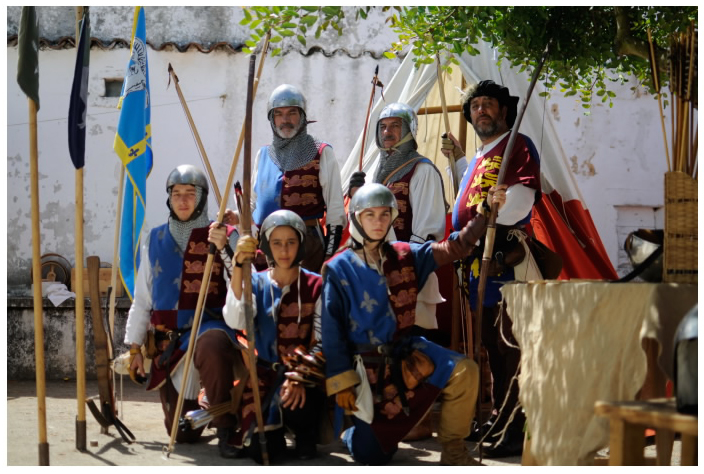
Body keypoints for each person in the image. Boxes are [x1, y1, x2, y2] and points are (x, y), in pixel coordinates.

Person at [321, 183, 505, 465]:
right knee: (374, 456)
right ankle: (353, 434)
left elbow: (455, 247)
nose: (378, 222)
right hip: (365, 367)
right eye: (370, 215)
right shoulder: (338, 268)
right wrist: (341, 380)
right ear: (356, 218)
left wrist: (485, 214)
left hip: (406, 353)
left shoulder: (406, 254)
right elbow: (331, 331)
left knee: (464, 370)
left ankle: (453, 450)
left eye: (385, 214)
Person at [441, 80, 541, 458]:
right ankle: (499, 417)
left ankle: (514, 425)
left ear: (504, 111)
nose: (481, 110)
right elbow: (472, 197)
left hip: (504, 261)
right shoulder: (481, 155)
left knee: (509, 345)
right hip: (477, 263)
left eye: (488, 104)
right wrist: (459, 162)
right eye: (475, 105)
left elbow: (521, 201)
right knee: (491, 348)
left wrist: (497, 209)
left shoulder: (517, 145)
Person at [124, 164, 244, 459]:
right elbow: (143, 298)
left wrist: (225, 249)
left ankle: (226, 429)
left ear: (202, 198)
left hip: (210, 328)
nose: (182, 200)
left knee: (211, 344)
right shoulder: (154, 239)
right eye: (176, 193)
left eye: (190, 193)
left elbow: (241, 286)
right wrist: (135, 347)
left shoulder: (224, 234)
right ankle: (207, 401)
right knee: (182, 434)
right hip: (171, 343)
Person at [222, 209, 326, 463]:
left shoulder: (317, 285)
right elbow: (236, 320)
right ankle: (273, 431)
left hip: (302, 377)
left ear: (301, 244)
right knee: (263, 453)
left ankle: (304, 433)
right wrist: (238, 266)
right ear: (268, 246)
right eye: (277, 243)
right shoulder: (255, 282)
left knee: (300, 411)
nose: (284, 250)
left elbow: (323, 340)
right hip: (263, 379)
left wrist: (298, 377)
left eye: (291, 242)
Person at [227, 84, 346, 273]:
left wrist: (330, 257)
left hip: (306, 247)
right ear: (272, 118)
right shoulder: (263, 155)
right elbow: (255, 204)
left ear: (302, 116)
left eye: (292, 113)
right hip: (266, 246)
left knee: (304, 292)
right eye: (279, 114)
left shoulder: (321, 152)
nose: (285, 120)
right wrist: (237, 216)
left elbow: (335, 209)